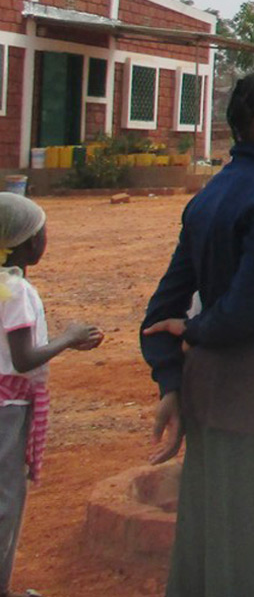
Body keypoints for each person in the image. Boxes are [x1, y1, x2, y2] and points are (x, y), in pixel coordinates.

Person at [141, 67, 254, 597]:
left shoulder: (210, 195)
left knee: (216, 531)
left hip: (209, 391)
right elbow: (247, 308)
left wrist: (171, 381)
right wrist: (200, 329)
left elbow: (159, 311)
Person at [0, 194, 103, 597]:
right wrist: (69, 338)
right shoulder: (16, 290)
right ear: (25, 241)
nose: (45, 237)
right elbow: (24, 359)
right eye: (41, 230)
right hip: (9, 409)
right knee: (7, 498)